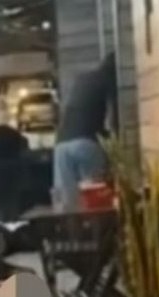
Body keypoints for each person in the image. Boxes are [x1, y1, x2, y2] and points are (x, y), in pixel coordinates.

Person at [53, 53, 117, 211]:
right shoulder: (109, 80)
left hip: (61, 144)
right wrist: (114, 144)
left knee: (69, 202)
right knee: (94, 200)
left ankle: (71, 227)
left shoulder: (82, 79)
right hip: (86, 143)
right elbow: (116, 116)